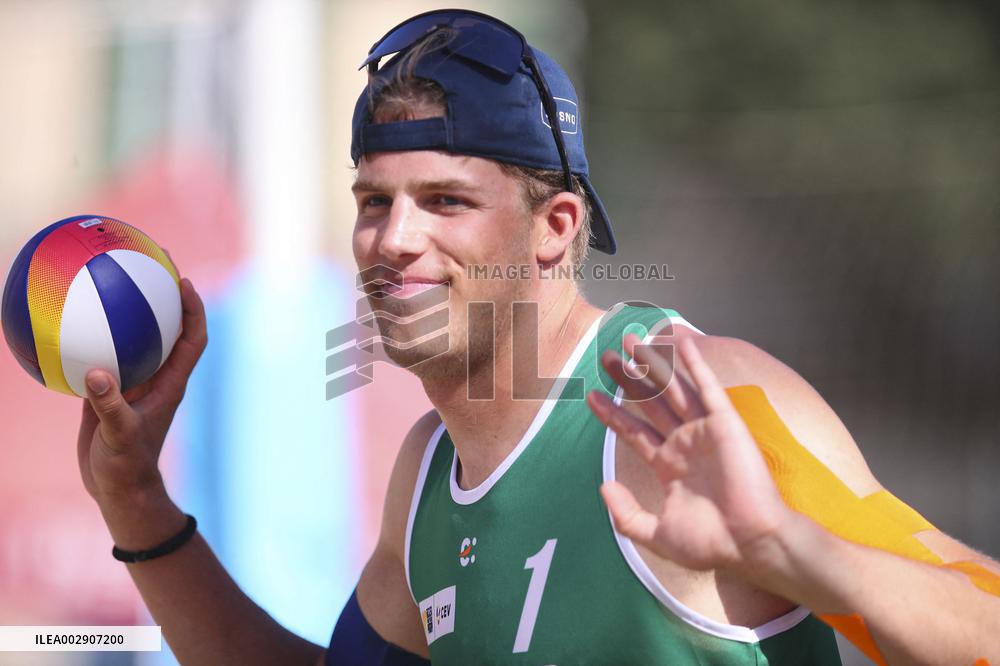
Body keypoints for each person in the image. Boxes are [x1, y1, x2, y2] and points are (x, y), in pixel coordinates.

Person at [76, 9, 1000, 666]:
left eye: (446, 201)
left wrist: (788, 550)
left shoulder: (692, 396)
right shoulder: (428, 476)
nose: (394, 239)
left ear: (555, 228)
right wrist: (136, 504)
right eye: (374, 203)